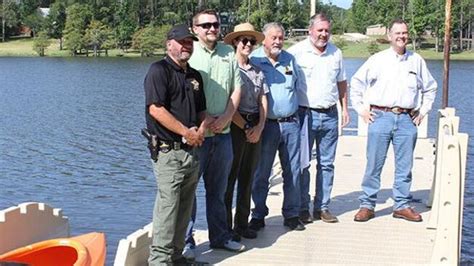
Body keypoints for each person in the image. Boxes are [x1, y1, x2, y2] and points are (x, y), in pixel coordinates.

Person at [350, 18, 437, 222]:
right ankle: (367, 205)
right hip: (380, 116)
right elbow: (356, 82)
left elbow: (430, 87)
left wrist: (423, 111)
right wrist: (361, 110)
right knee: (374, 164)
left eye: (404, 33)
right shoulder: (378, 60)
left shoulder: (417, 61)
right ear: (389, 36)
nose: (401, 37)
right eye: (397, 33)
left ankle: (401, 205)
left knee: (405, 166)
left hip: (407, 119)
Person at [183, 9, 245, 259]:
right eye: (206, 25)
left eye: (215, 24)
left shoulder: (229, 53)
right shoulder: (188, 52)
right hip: (196, 136)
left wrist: (227, 117)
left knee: (218, 192)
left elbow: (236, 90)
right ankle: (187, 241)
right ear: (195, 29)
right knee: (188, 193)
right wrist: (203, 121)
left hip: (224, 134)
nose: (212, 29)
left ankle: (220, 237)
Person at [144, 24, 207, 265]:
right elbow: (156, 109)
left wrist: (199, 131)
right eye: (181, 41)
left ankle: (177, 257)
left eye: (190, 42)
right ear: (169, 44)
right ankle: (159, 261)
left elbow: (202, 111)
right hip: (168, 152)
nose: (186, 46)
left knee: (184, 209)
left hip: (192, 152)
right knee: (167, 211)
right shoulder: (158, 71)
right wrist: (185, 132)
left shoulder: (195, 75)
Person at [288, 13, 350, 224]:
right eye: (320, 30)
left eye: (327, 30)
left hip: (330, 114)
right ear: (310, 31)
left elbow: (342, 83)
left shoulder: (336, 53)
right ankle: (303, 208)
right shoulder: (296, 52)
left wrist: (345, 108)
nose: (324, 34)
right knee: (303, 164)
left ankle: (322, 207)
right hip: (305, 114)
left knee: (327, 164)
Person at [249, 22, 305, 231]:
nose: (278, 41)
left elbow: (298, 89)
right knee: (261, 172)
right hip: (266, 126)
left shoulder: (290, 59)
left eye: (281, 37)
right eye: (274, 37)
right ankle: (258, 215)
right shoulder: (255, 60)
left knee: (293, 171)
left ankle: (291, 215)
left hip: (291, 124)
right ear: (264, 39)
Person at [222, 23, 268, 241]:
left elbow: (263, 100)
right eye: (244, 41)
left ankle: (242, 224)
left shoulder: (257, 70)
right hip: (235, 127)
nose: (248, 45)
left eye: (252, 41)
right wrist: (246, 127)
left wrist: (259, 127)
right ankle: (226, 228)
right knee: (229, 180)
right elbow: (228, 104)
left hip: (254, 127)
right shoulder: (229, 68)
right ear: (235, 43)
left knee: (248, 178)